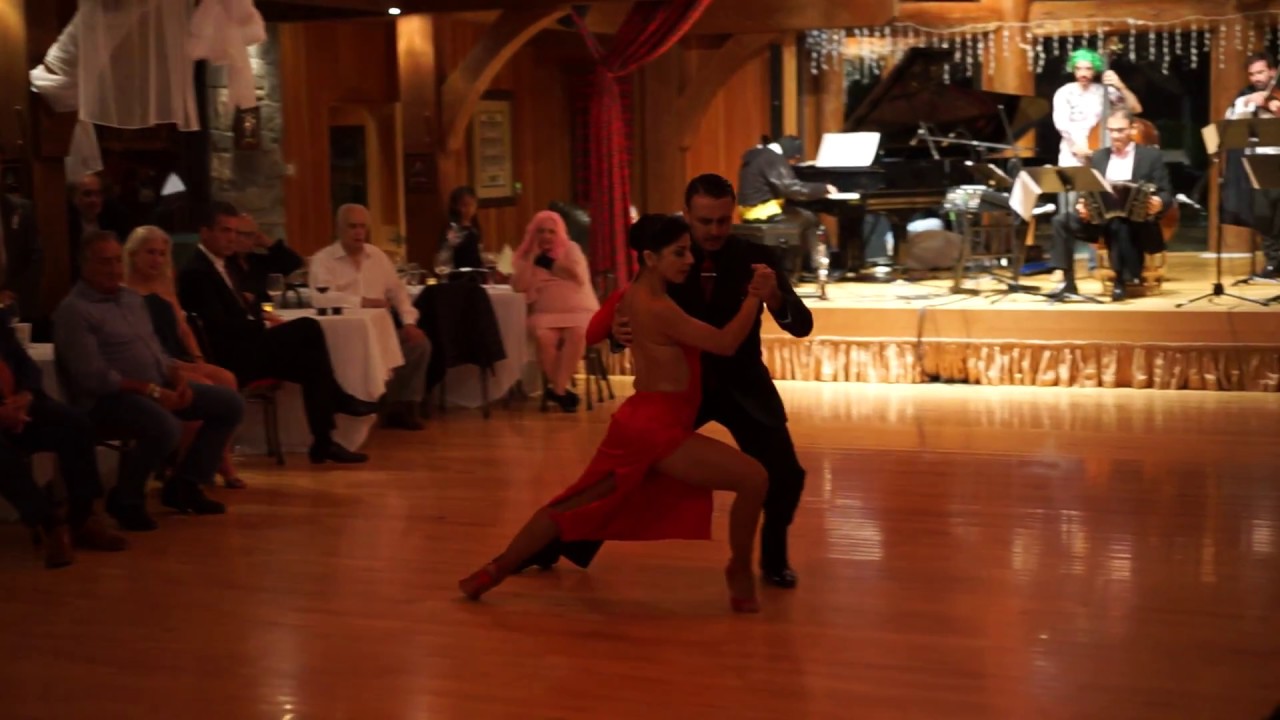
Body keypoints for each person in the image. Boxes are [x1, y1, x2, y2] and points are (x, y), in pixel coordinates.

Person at [459, 214, 769, 612]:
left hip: (639, 422)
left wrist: (618, 331)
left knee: (570, 504)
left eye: (688, 250)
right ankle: (739, 569)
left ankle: (493, 571)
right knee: (755, 478)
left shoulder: (633, 295)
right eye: (679, 252)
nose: (690, 259)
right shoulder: (657, 306)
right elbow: (725, 343)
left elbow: (595, 330)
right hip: (658, 428)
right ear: (650, 258)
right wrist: (754, 297)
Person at [535, 174, 814, 589]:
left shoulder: (758, 257)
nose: (715, 231)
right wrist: (619, 333)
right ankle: (563, 543)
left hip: (743, 385)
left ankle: (773, 559)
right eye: (705, 222)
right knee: (624, 475)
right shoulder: (667, 256)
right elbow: (625, 314)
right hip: (679, 391)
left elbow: (802, 325)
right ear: (687, 215)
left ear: (733, 213)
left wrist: (775, 298)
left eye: (723, 220)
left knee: (785, 473)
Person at [53, 231, 244, 531]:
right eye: (105, 262)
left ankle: (185, 484)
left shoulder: (130, 299)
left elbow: (155, 351)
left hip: (156, 387)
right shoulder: (74, 311)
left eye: (117, 261)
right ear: (84, 265)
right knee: (164, 425)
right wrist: (151, 390)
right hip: (107, 401)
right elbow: (94, 378)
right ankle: (126, 499)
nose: (115, 269)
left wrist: (175, 374)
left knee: (229, 403)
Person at [177, 202, 379, 464]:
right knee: (309, 327)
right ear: (205, 233)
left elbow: (238, 312)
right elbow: (218, 326)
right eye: (225, 231)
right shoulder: (197, 271)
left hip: (244, 345)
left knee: (310, 361)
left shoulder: (223, 265)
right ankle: (338, 400)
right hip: (227, 357)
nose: (232, 238)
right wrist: (261, 325)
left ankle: (323, 441)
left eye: (235, 232)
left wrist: (259, 314)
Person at [1, 281, 127, 567]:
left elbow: (26, 365)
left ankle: (81, 520)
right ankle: (49, 523)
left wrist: (26, 396)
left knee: (74, 424)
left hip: (19, 406)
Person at [123, 225, 247, 488]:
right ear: (133, 254)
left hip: (177, 355)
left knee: (226, 378)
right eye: (150, 253)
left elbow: (182, 326)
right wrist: (177, 364)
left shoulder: (165, 284)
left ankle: (220, 457)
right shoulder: (124, 291)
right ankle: (182, 468)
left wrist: (197, 358)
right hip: (156, 362)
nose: (157, 259)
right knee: (206, 388)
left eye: (161, 254)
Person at [309, 204, 431, 430]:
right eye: (352, 226)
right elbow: (320, 298)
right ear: (339, 229)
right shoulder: (323, 260)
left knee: (419, 344)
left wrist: (409, 322)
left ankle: (400, 407)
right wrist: (362, 301)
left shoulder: (378, 257)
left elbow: (399, 293)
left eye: (362, 227)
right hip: (345, 340)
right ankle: (360, 407)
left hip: (382, 335)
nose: (358, 232)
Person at [1052, 109, 1172, 302]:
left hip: (1136, 223)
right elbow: (1087, 191)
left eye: (1120, 130)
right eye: (1111, 131)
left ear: (1132, 129)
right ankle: (1067, 282)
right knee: (1061, 220)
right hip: (1099, 220)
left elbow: (1167, 193)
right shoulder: (1099, 157)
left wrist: (1159, 203)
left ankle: (1121, 282)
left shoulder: (1150, 157)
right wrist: (1081, 206)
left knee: (1119, 222)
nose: (1115, 135)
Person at [1049, 48, 1143, 292]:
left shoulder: (1105, 92)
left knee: (1099, 210)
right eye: (1079, 68)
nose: (1083, 73)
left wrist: (1120, 86)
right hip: (1072, 156)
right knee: (1069, 211)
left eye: (1088, 68)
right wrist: (1076, 146)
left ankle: (1094, 263)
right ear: (1072, 68)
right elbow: (1061, 123)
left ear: (1095, 69)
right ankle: (1063, 268)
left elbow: (1135, 109)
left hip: (1101, 159)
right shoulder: (1063, 92)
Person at [511, 211, 600, 411]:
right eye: (541, 231)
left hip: (577, 310)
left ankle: (557, 390)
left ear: (559, 233)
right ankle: (561, 391)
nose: (546, 236)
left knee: (578, 333)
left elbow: (576, 275)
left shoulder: (571, 249)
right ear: (534, 233)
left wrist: (549, 262)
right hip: (545, 313)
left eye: (551, 231)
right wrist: (533, 258)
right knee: (544, 338)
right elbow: (518, 286)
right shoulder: (526, 256)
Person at [736, 134, 834, 280]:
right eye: (794, 159)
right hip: (763, 212)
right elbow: (792, 188)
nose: (792, 163)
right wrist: (823, 188)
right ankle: (811, 269)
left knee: (799, 216)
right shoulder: (772, 158)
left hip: (747, 211)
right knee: (810, 219)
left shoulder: (757, 154)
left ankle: (797, 270)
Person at [1222, 51, 1280, 280]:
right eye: (1252, 74)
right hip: (1259, 161)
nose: (1256, 78)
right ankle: (1273, 264)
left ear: (1273, 72)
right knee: (1264, 215)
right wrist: (1248, 102)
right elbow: (1231, 122)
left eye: (1261, 72)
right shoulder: (1245, 96)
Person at [442, 186, 484, 271]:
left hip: (476, 274)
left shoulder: (474, 228)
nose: (469, 209)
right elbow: (445, 258)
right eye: (464, 205)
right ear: (455, 206)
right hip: (458, 275)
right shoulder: (453, 229)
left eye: (472, 204)